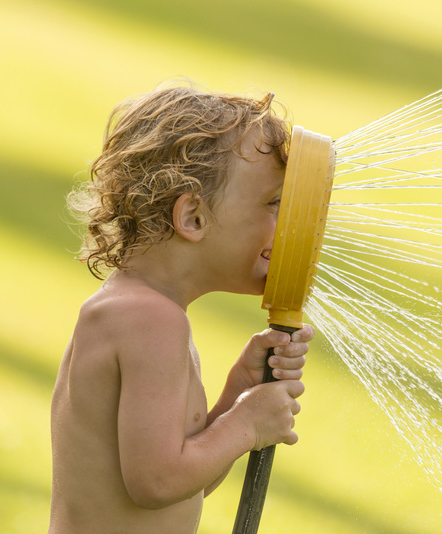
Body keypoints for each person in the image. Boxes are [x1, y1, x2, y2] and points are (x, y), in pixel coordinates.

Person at [48, 84, 313, 534]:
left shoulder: (136, 310)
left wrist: (238, 394)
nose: (285, 225)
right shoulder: (151, 321)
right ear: (192, 217)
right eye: (273, 204)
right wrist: (247, 425)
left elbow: (185, 483)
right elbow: (155, 482)